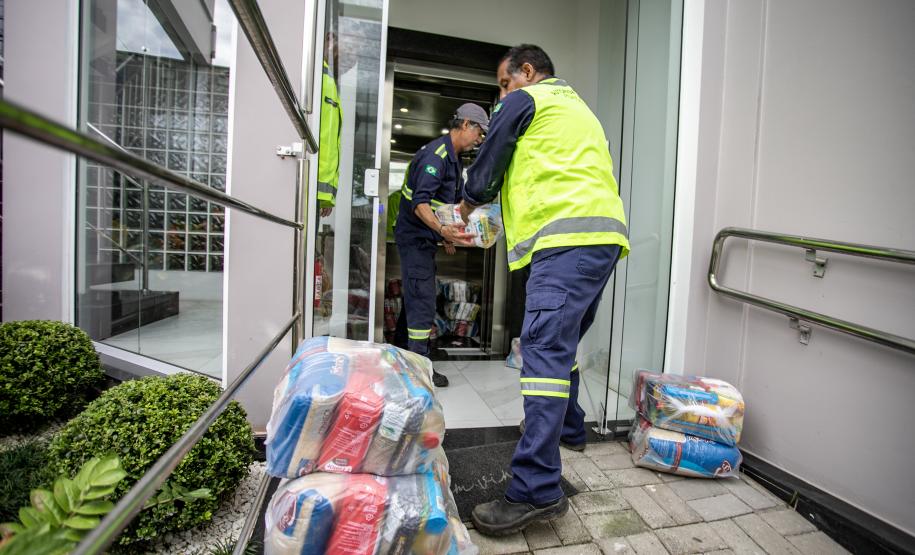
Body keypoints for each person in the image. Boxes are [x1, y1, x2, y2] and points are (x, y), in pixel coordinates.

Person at [460, 45, 630, 535]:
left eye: (503, 83)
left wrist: (470, 202)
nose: (501, 95)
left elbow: (489, 165)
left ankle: (535, 489)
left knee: (541, 353)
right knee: (563, 343)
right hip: (602, 238)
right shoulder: (580, 111)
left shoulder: (526, 99)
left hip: (565, 239)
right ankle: (571, 428)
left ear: (527, 72)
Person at [394, 103, 489, 387]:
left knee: (414, 300)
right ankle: (420, 374)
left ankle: (402, 361)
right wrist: (442, 229)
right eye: (480, 132)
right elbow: (419, 204)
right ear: (466, 125)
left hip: (426, 238)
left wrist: (446, 235)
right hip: (415, 239)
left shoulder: (454, 158)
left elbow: (445, 204)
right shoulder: (436, 157)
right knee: (422, 302)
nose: (480, 139)